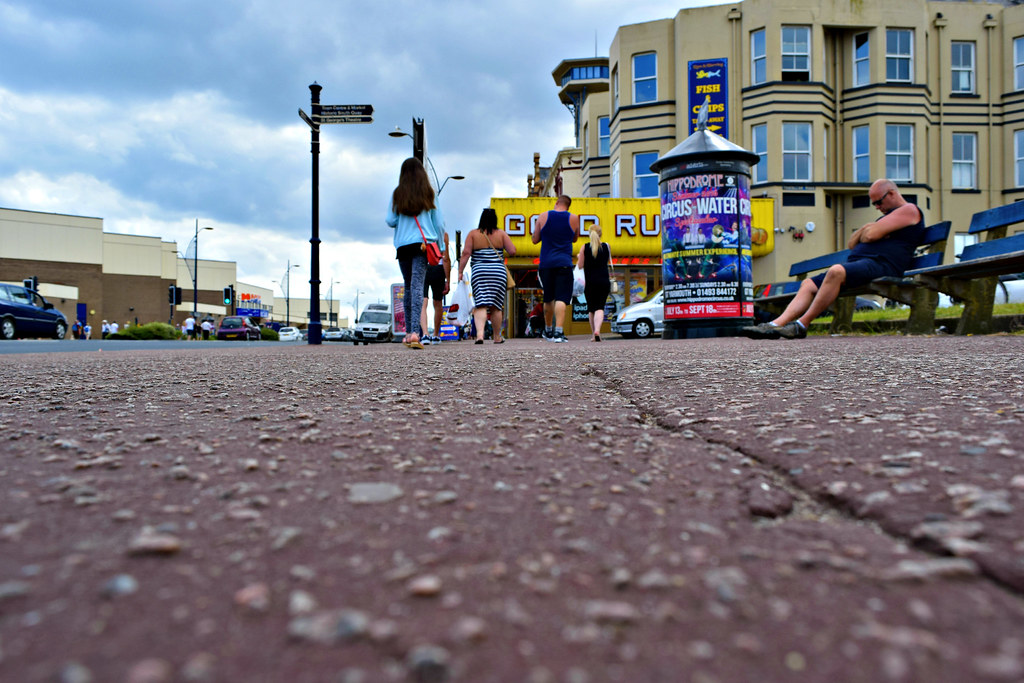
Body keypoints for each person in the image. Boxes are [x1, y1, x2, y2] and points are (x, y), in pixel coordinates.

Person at [741, 179, 926, 340]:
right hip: (862, 264)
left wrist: (870, 231)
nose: (877, 207)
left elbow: (870, 236)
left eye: (878, 202)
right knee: (808, 284)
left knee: (836, 271)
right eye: (874, 204)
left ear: (891, 193)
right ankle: (774, 325)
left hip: (883, 264)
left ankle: (801, 325)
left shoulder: (909, 210)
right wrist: (868, 228)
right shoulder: (885, 218)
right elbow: (853, 242)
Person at [386, 157, 445, 349]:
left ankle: (407, 332)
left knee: (408, 286)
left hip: (403, 245)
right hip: (422, 244)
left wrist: (403, 216)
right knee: (418, 286)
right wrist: (441, 247)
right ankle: (415, 333)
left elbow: (390, 220)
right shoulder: (429, 193)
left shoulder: (397, 194)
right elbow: (439, 223)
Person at [459, 208, 516, 344]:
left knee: (481, 305)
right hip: (498, 272)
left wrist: (460, 271)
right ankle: (497, 337)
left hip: (479, 273)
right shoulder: (501, 234)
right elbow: (512, 251)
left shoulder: (473, 234)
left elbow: (466, 253)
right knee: (496, 306)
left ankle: (480, 335)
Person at [531, 194, 580, 342]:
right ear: (568, 206)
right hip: (564, 263)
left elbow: (534, 239)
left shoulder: (543, 216)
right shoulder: (574, 218)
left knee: (549, 297)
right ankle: (559, 332)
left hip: (546, 263)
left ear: (557, 202)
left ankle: (548, 330)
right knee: (561, 298)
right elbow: (575, 238)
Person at [576, 223, 611, 342]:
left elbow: (580, 266)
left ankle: (594, 334)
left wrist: (579, 257)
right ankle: (598, 330)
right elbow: (606, 260)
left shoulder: (584, 247)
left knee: (591, 308)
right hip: (604, 281)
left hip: (590, 282)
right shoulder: (607, 246)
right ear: (600, 234)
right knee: (600, 307)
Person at [420, 231, 451, 345]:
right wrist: (448, 280)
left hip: (423, 267)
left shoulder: (422, 232)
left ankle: (425, 334)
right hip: (438, 268)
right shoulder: (443, 234)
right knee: (438, 303)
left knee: (423, 301)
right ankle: (436, 335)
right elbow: (446, 258)